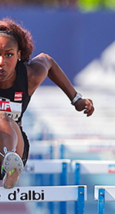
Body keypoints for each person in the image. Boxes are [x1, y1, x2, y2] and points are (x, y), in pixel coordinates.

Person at [0, 19, 94, 189]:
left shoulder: (29, 75)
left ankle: (10, 167)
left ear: (19, 54)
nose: (1, 62)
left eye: (9, 55)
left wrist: (76, 99)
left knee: (3, 118)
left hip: (16, 148)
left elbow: (47, 61)